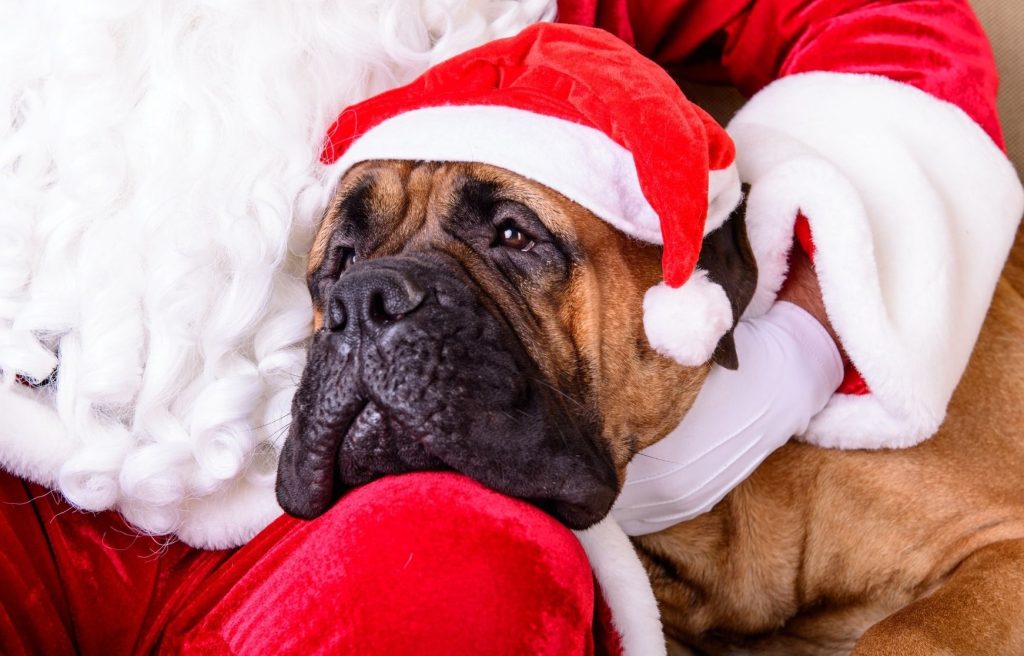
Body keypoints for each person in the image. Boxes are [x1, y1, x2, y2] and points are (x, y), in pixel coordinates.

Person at [1, 1, 1020, 654]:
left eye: (508, 235)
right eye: (346, 265)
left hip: (345, 547)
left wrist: (800, 338)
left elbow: (892, 22)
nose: (372, 301)